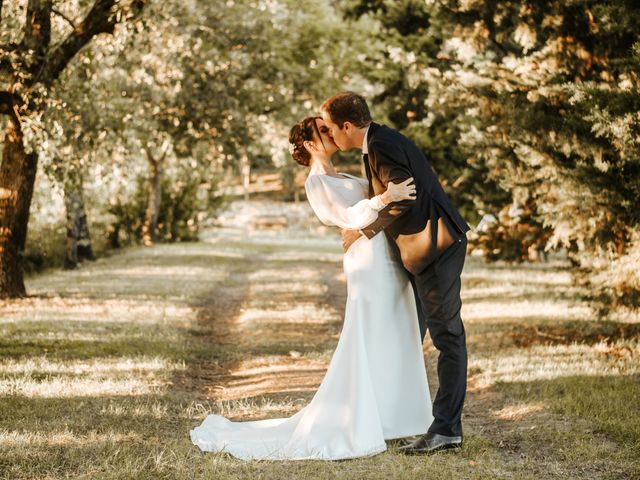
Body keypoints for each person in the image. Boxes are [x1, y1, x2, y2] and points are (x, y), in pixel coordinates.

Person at [190, 116, 432, 460]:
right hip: (367, 261)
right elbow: (348, 217)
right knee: (370, 332)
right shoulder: (316, 183)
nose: (330, 132)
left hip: (386, 253)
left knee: (394, 329)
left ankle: (392, 417)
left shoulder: (344, 175)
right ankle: (361, 418)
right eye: (323, 130)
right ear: (309, 144)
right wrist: (384, 198)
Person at [321, 91, 470, 454]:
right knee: (408, 334)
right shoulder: (378, 143)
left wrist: (361, 231)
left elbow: (406, 196)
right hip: (421, 252)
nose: (330, 136)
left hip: (435, 246)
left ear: (346, 126)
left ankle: (446, 428)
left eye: (330, 128)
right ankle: (402, 418)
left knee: (447, 336)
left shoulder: (383, 145)